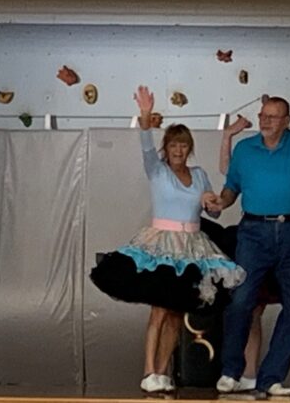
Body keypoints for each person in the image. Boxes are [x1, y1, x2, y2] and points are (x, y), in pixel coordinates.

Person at [90, 85, 245, 394]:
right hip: (162, 246)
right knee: (159, 311)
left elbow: (212, 211)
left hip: (192, 247)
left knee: (177, 313)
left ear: (189, 149)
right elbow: (145, 145)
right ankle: (148, 370)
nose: (178, 150)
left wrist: (213, 202)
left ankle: (162, 372)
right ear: (167, 147)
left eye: (183, 145)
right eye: (174, 145)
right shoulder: (157, 170)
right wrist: (146, 114)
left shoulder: (199, 174)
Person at [209, 52, 290, 395]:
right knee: (241, 301)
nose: (265, 120)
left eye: (272, 116)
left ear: (286, 121)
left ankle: (271, 378)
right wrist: (220, 202)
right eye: (262, 115)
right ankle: (231, 370)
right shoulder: (245, 149)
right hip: (253, 232)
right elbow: (231, 188)